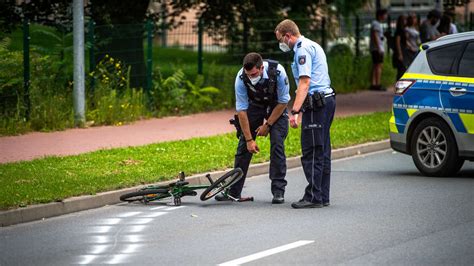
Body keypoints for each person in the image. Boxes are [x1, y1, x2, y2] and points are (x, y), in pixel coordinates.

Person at [274, 19, 336, 209]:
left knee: (312, 151)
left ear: (287, 36)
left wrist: (295, 111)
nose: (281, 44)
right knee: (323, 150)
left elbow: (304, 83)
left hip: (316, 105)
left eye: (280, 40)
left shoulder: (302, 49)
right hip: (326, 101)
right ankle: (322, 195)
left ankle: (313, 197)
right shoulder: (312, 44)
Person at [216, 52, 290, 204]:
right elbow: (242, 110)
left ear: (261, 68)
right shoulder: (241, 78)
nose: (251, 77)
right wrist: (250, 139)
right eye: (248, 74)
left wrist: (268, 125)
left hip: (276, 106)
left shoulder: (278, 72)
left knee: (277, 144)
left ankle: (278, 191)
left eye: (254, 74)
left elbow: (283, 102)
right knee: (244, 146)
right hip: (255, 105)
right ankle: (233, 191)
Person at [370, 9, 388, 91]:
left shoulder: (377, 24)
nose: (386, 16)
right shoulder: (376, 24)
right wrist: (379, 47)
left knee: (375, 65)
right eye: (385, 15)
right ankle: (377, 83)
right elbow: (375, 35)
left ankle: (374, 83)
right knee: (378, 66)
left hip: (376, 48)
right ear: (381, 15)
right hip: (377, 48)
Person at [393, 15, 407, 80]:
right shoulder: (399, 31)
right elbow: (397, 42)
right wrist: (400, 54)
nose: (406, 21)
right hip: (400, 51)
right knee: (401, 69)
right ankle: (398, 84)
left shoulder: (403, 30)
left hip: (403, 51)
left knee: (402, 69)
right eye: (404, 20)